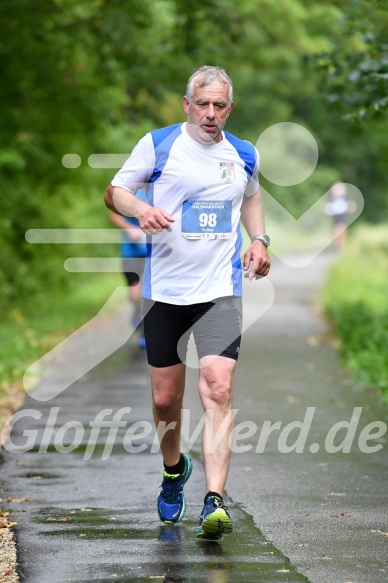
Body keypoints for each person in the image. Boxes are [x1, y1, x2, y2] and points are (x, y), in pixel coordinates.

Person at [104, 65, 271, 540]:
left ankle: (215, 501)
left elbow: (252, 195)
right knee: (165, 399)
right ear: (186, 104)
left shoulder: (243, 153)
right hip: (166, 292)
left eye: (220, 105)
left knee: (218, 386)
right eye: (203, 104)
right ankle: (174, 468)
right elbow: (114, 192)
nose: (211, 114)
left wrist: (259, 239)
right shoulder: (158, 145)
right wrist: (141, 210)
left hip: (220, 290)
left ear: (230, 108)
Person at [109, 189, 147, 348]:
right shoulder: (129, 191)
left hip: (151, 253)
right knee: (135, 296)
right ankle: (137, 315)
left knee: (148, 294)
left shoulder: (158, 190)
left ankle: (146, 332)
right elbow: (113, 214)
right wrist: (129, 229)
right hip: (130, 253)